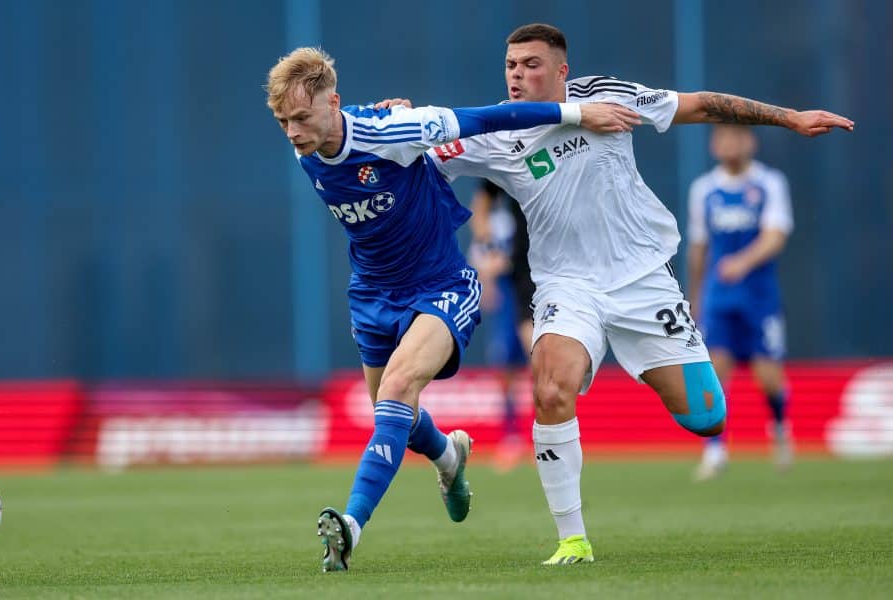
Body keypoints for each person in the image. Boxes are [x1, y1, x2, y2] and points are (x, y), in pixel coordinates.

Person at [413, 23, 852, 566]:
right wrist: (397, 119)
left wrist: (790, 117)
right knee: (550, 388)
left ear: (561, 71)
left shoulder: (606, 96)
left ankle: (650, 365)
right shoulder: (496, 131)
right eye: (511, 66)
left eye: (531, 64)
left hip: (643, 280)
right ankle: (572, 540)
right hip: (567, 286)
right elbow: (418, 150)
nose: (518, 76)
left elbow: (702, 105)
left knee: (707, 415)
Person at [263, 46, 641, 572]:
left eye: (301, 117)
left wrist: (577, 113)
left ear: (333, 103)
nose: (292, 131)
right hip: (372, 294)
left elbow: (487, 118)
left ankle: (349, 526)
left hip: (441, 284)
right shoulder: (310, 147)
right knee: (394, 413)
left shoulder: (396, 130)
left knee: (396, 390)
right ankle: (447, 457)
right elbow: (344, 131)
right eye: (282, 120)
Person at [687, 125, 795, 480]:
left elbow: (775, 235)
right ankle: (715, 450)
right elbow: (699, 248)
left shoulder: (769, 183)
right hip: (720, 298)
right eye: (723, 137)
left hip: (759, 297)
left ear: (751, 141)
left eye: (737, 137)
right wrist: (695, 298)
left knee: (769, 377)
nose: (729, 144)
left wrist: (743, 262)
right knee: (715, 374)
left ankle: (780, 429)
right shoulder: (704, 189)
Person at [467, 180, 535, 470]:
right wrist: (489, 279)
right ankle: (511, 437)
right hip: (508, 301)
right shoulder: (494, 222)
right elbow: (483, 264)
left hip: (529, 293)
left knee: (539, 362)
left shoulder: (526, 215)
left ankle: (542, 435)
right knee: (506, 368)